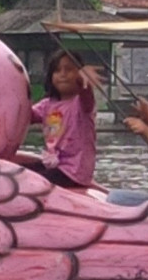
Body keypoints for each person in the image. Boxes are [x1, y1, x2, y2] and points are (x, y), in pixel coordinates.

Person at [28, 49, 102, 188]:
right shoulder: (47, 104)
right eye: (57, 70)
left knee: (31, 181)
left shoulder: (81, 104)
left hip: (73, 171)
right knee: (20, 171)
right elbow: (27, 116)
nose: (62, 74)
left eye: (69, 69)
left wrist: (83, 80)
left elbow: (86, 93)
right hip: (53, 164)